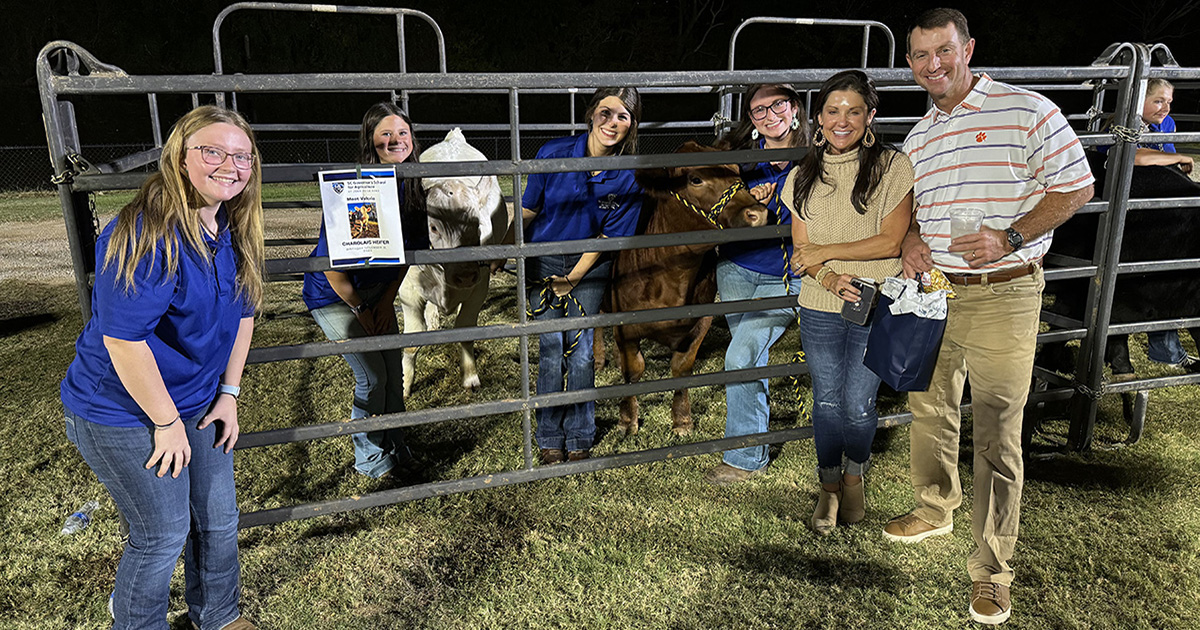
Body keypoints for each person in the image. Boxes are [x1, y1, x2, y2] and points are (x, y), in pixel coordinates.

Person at [891, 9, 1094, 625]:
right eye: (921, 56)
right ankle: (934, 506)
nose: (934, 65)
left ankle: (991, 569)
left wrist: (1012, 235)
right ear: (909, 64)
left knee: (999, 426)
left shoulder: (1026, 110)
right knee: (928, 403)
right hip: (936, 289)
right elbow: (912, 218)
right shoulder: (918, 138)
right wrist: (909, 244)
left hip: (1005, 290)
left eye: (944, 51)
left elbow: (1077, 187)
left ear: (968, 48)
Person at [60, 105, 263, 629]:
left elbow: (244, 314)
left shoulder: (232, 228)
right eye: (213, 151)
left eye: (242, 155)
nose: (230, 165)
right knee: (163, 532)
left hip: (196, 402)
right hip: (122, 410)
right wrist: (165, 423)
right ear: (179, 157)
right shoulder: (146, 232)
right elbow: (124, 341)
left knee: (218, 521)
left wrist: (230, 393)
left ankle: (217, 616)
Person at [783, 70, 913, 533]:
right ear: (818, 118)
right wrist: (828, 274)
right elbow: (803, 251)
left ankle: (855, 476)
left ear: (870, 116)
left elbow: (891, 241)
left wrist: (826, 253)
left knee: (859, 403)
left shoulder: (893, 166)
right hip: (820, 300)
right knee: (827, 401)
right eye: (833, 111)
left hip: (874, 300)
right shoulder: (800, 176)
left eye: (854, 111)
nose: (842, 120)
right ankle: (829, 486)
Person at [514, 87, 643, 464]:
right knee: (552, 348)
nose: (612, 123)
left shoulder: (628, 176)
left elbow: (608, 237)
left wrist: (572, 278)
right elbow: (528, 210)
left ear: (632, 124)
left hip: (589, 264)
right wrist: (505, 251)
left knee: (583, 350)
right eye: (606, 112)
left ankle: (581, 434)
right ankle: (550, 434)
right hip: (542, 257)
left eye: (623, 116)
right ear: (591, 114)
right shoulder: (552, 154)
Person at [302, 102, 424, 478]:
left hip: (377, 294)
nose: (395, 139)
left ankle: (397, 444)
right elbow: (332, 269)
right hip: (337, 296)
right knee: (371, 376)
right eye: (385, 133)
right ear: (371, 141)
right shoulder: (353, 189)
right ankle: (370, 458)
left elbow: (407, 254)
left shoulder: (413, 186)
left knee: (392, 372)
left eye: (402, 132)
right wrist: (362, 308)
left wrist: (385, 302)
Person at [703, 83, 809, 485]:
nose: (769, 115)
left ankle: (746, 456)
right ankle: (755, 435)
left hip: (784, 275)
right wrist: (747, 198)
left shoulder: (814, 155)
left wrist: (775, 208)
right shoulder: (741, 160)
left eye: (777, 104)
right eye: (758, 110)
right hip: (735, 268)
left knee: (741, 357)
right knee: (747, 357)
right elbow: (716, 203)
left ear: (794, 107)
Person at [1101, 79, 1200, 370]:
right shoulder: (1119, 123)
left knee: (1171, 274)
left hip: (1156, 210)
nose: (1166, 107)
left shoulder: (1165, 124)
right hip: (1128, 214)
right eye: (1158, 100)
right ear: (1138, 100)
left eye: (1169, 101)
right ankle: (1161, 348)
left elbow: (1165, 162)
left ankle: (1166, 348)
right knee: (1156, 276)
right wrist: (1176, 157)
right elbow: (1130, 156)